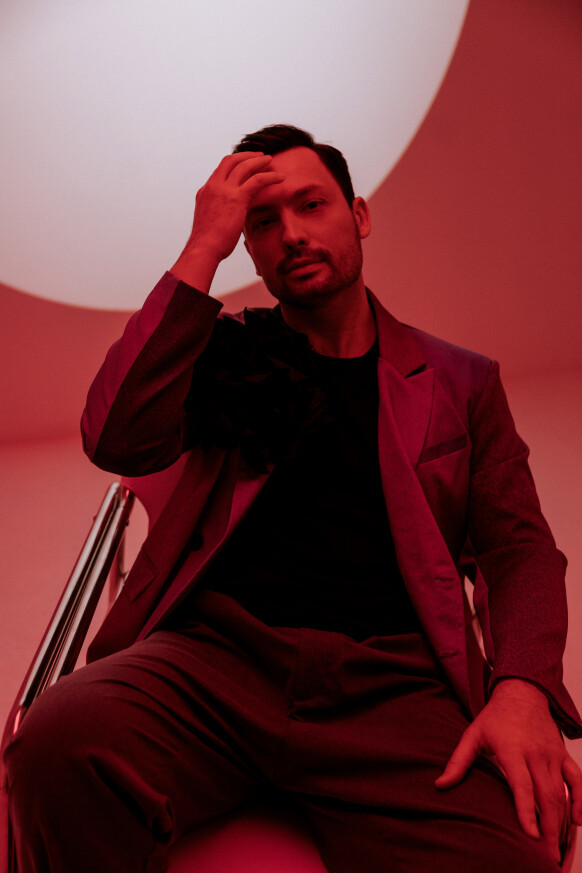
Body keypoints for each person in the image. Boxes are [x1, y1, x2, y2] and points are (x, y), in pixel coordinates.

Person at [4, 124, 582, 872]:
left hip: (392, 687)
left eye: (311, 205)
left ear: (359, 215)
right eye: (262, 223)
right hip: (214, 662)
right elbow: (113, 437)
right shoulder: (223, 349)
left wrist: (522, 690)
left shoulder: (461, 381)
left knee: (515, 854)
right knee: (58, 738)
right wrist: (202, 247)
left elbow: (518, 549)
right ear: (247, 247)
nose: (293, 235)